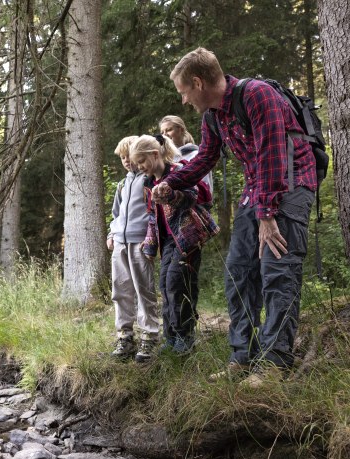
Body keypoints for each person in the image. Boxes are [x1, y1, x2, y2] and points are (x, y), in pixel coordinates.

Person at [154, 47, 316, 386]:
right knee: (239, 274)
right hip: (258, 190)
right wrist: (170, 183)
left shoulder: (258, 95)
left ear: (197, 83)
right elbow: (205, 158)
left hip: (291, 184)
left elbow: (274, 152)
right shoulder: (214, 115)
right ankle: (242, 356)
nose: (183, 101)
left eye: (183, 92)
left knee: (277, 272)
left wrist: (268, 214)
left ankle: (274, 364)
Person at [130, 134, 219, 355]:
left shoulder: (179, 171)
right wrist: (150, 245)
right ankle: (171, 337)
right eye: (137, 164)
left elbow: (193, 196)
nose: (140, 167)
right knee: (164, 285)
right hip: (168, 241)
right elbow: (152, 216)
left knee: (178, 283)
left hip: (187, 238)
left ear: (154, 154)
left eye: (142, 161)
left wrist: (171, 195)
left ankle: (185, 336)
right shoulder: (149, 183)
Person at [107, 136, 160, 363]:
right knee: (120, 290)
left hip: (139, 242)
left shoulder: (149, 182)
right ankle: (125, 336)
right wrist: (112, 234)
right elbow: (116, 214)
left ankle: (149, 335)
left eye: (128, 156)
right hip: (120, 242)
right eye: (121, 158)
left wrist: (150, 238)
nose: (125, 161)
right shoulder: (123, 184)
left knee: (143, 289)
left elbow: (154, 213)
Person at [159, 114, 213, 196]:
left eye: (169, 130)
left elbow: (203, 186)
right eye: (162, 132)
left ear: (181, 130)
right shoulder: (164, 159)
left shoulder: (196, 156)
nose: (164, 135)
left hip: (194, 205)